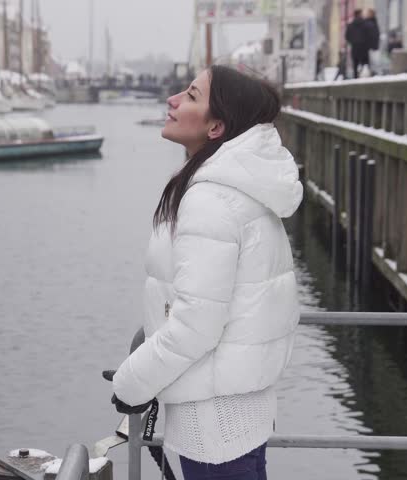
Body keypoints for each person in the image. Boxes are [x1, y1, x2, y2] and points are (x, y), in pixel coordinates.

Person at [106, 65, 303, 480]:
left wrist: (132, 384)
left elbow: (196, 326)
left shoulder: (210, 201)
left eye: (191, 95)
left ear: (216, 127)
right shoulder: (242, 189)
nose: (173, 99)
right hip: (240, 411)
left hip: (214, 425)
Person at [346, 9, 371, 77]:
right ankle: (364, 77)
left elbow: (347, 36)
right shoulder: (366, 24)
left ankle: (356, 77)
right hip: (364, 48)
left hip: (354, 47)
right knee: (365, 64)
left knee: (355, 64)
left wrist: (353, 42)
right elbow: (369, 35)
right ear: (359, 14)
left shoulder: (350, 25)